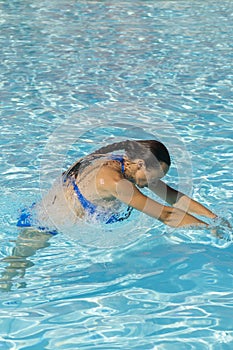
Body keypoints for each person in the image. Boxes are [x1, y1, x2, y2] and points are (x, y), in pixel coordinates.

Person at [21, 139, 216, 231]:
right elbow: (166, 214)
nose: (153, 184)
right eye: (152, 178)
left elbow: (172, 196)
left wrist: (214, 218)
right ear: (140, 164)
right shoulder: (115, 182)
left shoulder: (126, 162)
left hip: (57, 209)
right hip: (48, 225)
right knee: (17, 265)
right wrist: (210, 230)